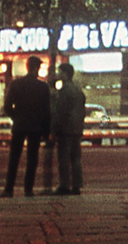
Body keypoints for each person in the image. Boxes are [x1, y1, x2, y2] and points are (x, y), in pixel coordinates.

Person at [1, 56, 52, 197]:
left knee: (14, 158)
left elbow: (7, 106)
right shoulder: (43, 87)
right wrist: (46, 131)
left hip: (19, 125)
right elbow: (47, 111)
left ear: (27, 67)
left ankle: (9, 189)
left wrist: (15, 117)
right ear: (37, 68)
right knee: (32, 159)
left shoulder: (16, 84)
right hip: (35, 126)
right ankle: (28, 189)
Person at [52, 63, 86, 195]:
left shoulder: (65, 91)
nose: (57, 74)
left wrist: (55, 129)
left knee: (64, 159)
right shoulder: (78, 90)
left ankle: (65, 185)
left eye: (59, 72)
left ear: (65, 74)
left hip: (66, 129)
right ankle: (77, 185)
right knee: (76, 158)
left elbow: (61, 112)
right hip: (76, 129)